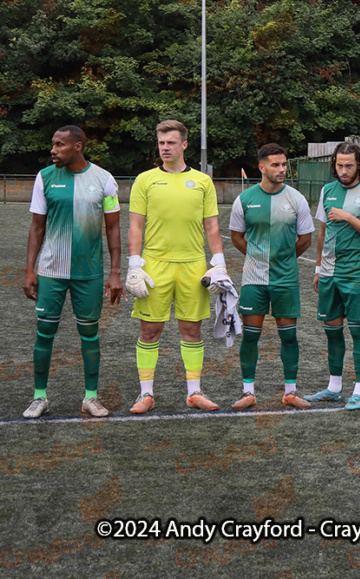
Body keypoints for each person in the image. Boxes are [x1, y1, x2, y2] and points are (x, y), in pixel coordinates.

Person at [125, 120, 227, 414]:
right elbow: (135, 225)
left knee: (191, 329)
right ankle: (146, 394)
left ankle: (194, 392)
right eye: (161, 143)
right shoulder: (144, 180)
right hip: (154, 265)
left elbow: (211, 226)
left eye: (170, 142)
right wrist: (134, 264)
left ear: (184, 144)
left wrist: (218, 262)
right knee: (150, 329)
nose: (165, 148)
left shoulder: (203, 181)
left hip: (193, 266)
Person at [22, 126, 122, 418]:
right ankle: (39, 397)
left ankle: (90, 398)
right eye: (53, 144)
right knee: (45, 332)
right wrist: (30, 270)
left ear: (77, 146)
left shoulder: (104, 179)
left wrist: (115, 271)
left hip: (88, 272)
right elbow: (37, 226)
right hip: (51, 270)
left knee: (89, 335)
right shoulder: (45, 177)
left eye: (59, 145)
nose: (53, 150)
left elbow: (113, 227)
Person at [229, 144, 314, 411]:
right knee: (251, 336)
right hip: (253, 280)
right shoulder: (244, 199)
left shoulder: (296, 199)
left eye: (283, 164)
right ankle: (248, 392)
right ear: (262, 167)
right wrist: (257, 257)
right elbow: (236, 237)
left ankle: (290, 392)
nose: (281, 169)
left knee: (289, 337)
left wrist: (284, 260)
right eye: (275, 165)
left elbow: (305, 239)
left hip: (285, 280)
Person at [306, 142, 360, 411]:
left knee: (358, 331)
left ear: (359, 164)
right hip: (329, 272)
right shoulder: (327, 190)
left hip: (356, 272)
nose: (343, 170)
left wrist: (349, 217)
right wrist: (318, 268)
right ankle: (334, 388)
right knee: (332, 332)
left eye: (349, 165)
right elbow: (322, 233)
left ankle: (359, 391)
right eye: (339, 164)